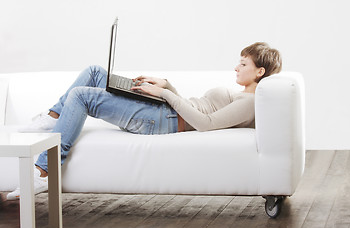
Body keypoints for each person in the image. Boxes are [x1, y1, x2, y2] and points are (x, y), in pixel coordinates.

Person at [7, 42, 282, 200]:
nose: (236, 67)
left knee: (81, 96)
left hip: (161, 120)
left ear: (259, 71)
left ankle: (43, 172)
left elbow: (204, 123)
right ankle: (53, 117)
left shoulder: (248, 103)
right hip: (164, 109)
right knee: (94, 72)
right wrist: (167, 87)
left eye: (243, 64)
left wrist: (162, 94)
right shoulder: (241, 94)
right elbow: (194, 107)